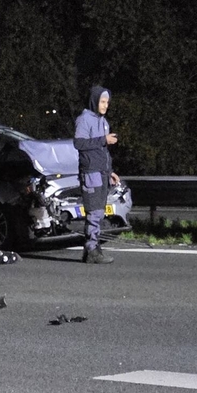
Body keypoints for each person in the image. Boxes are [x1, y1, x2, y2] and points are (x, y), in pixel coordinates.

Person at [74, 86, 120, 264]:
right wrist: (103, 140)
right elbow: (79, 143)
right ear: (94, 101)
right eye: (102, 101)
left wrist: (110, 172)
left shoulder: (103, 121)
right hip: (91, 173)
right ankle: (92, 248)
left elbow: (103, 152)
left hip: (101, 173)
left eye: (107, 102)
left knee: (98, 212)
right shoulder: (84, 119)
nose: (105, 105)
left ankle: (91, 248)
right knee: (94, 212)